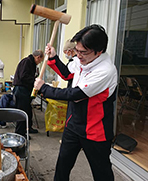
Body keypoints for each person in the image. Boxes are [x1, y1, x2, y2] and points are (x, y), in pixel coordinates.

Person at [34, 24, 117, 181]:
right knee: (62, 167)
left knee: (102, 173)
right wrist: (53, 57)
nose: (78, 55)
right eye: (77, 50)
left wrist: (43, 88)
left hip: (95, 131)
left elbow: (74, 94)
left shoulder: (105, 71)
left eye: (83, 52)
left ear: (99, 51)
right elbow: (68, 75)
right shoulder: (83, 60)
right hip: (73, 125)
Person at [12, 50, 44, 137]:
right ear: (38, 57)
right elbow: (24, 77)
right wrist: (35, 81)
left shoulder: (31, 63)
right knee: (22, 112)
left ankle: (28, 128)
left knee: (28, 111)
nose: (39, 63)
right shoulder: (27, 62)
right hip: (21, 90)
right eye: (40, 61)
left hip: (25, 90)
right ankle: (20, 133)